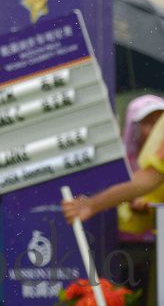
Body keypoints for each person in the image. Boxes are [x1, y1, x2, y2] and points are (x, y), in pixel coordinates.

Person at [63, 94, 164, 305]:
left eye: (157, 120)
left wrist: (92, 205)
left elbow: (148, 179)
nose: (153, 128)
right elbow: (148, 180)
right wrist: (91, 205)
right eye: (147, 122)